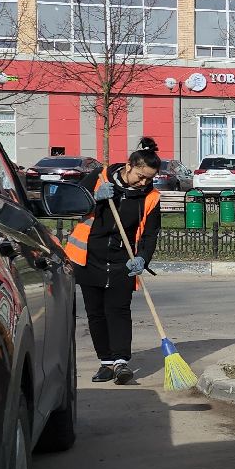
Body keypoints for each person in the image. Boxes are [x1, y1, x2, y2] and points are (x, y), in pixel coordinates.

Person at [62, 148, 163, 385]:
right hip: (89, 258)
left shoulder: (151, 197)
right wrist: (94, 196)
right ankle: (106, 363)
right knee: (95, 313)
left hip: (122, 260)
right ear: (129, 166)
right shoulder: (99, 177)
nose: (144, 182)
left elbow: (150, 234)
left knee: (118, 311)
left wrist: (143, 258)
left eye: (150, 178)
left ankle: (121, 362)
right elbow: (68, 203)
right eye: (141, 175)